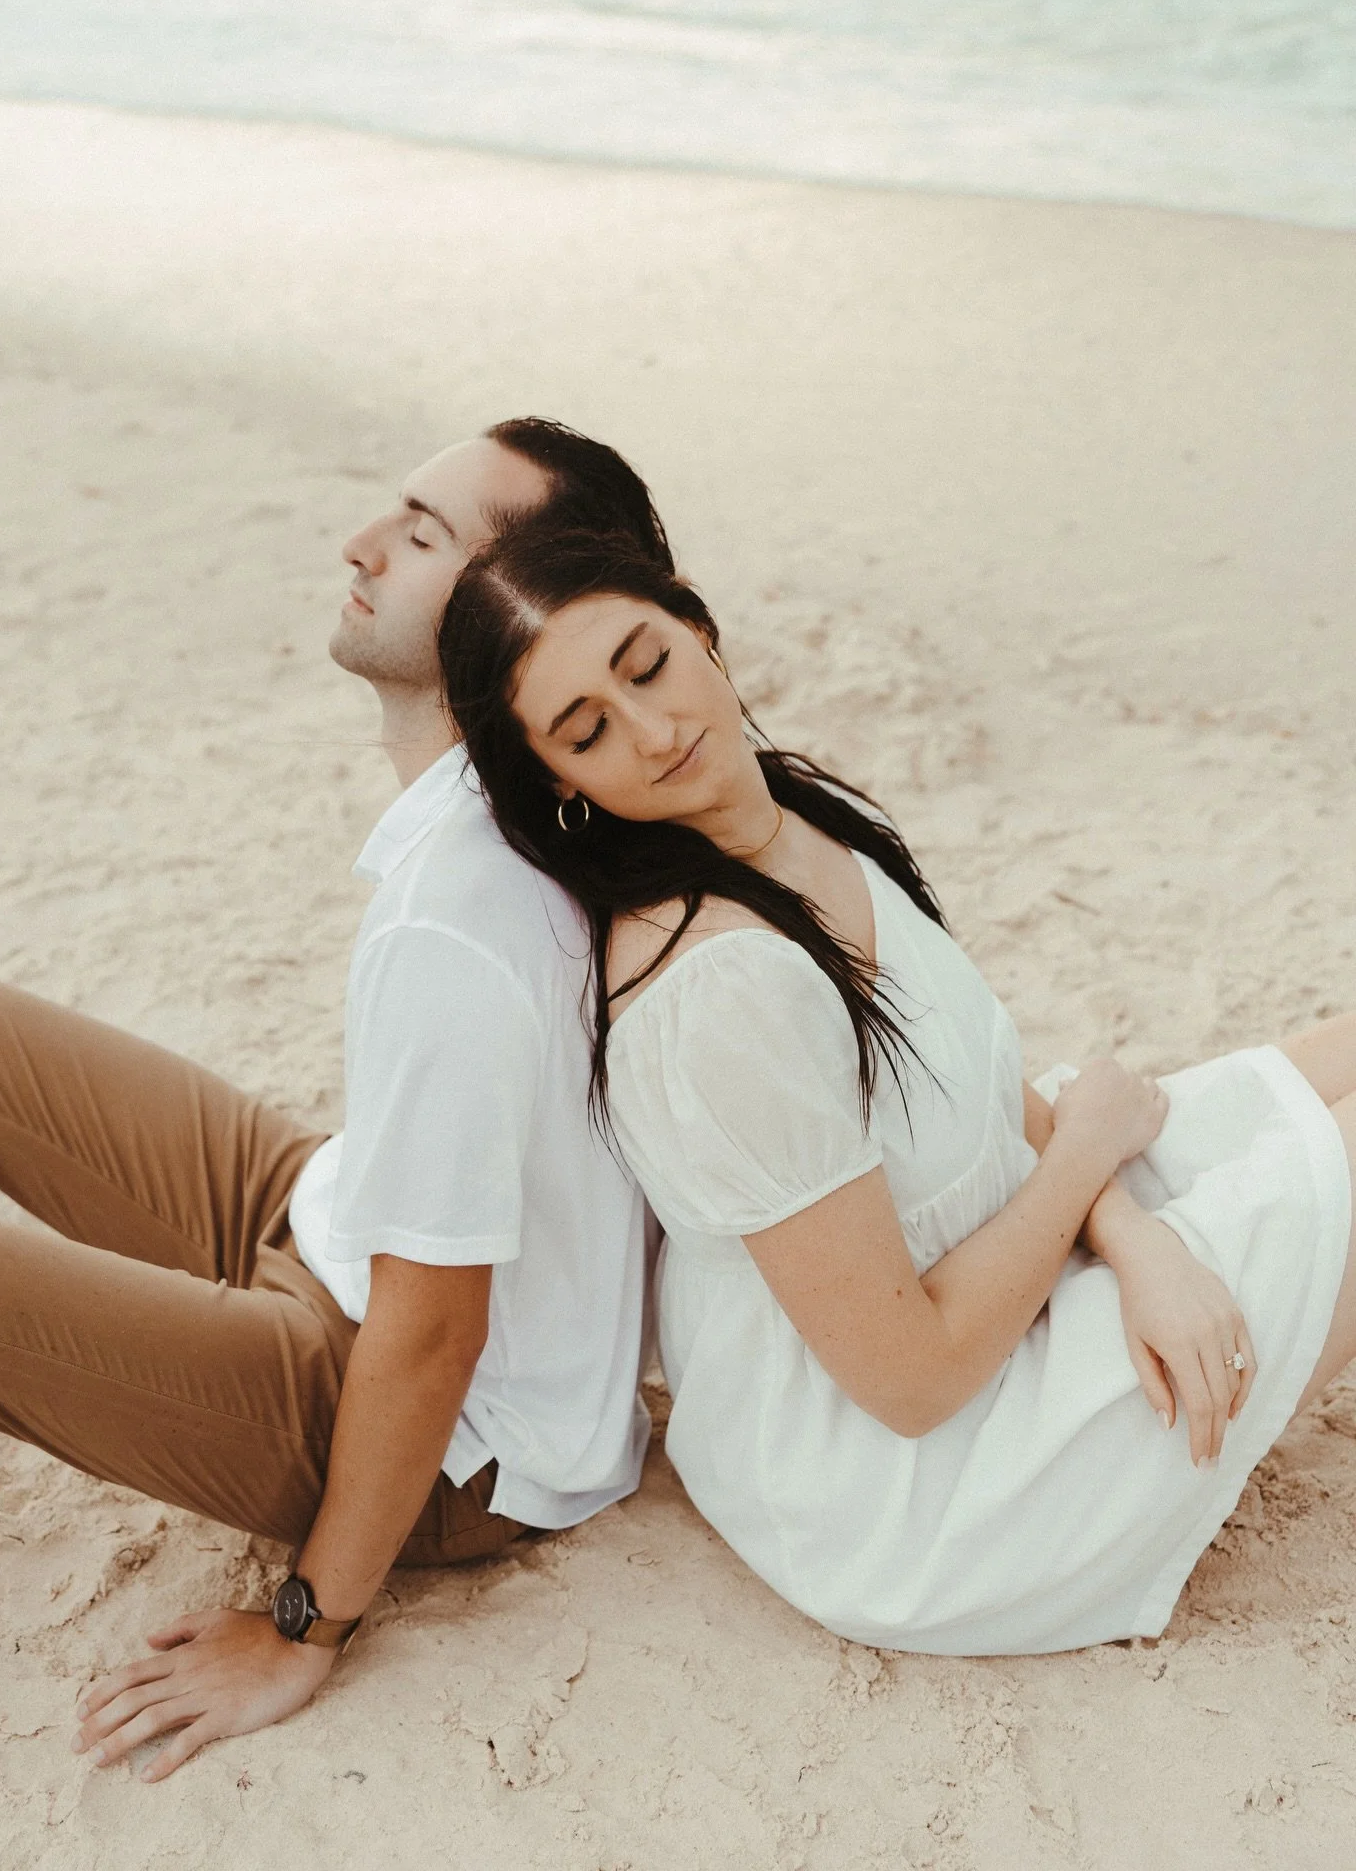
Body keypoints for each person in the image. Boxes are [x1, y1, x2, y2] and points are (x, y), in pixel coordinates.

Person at [439, 525, 1356, 1656]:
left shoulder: (778, 810)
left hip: (988, 1255)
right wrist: (1085, 1163)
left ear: (700, 632)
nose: (654, 729)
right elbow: (910, 1382)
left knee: (1330, 1063)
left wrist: (1139, 1240)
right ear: (558, 783)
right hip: (917, 1486)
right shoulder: (718, 988)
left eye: (648, 665)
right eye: (588, 732)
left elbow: (967, 1080)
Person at [0, 420, 671, 1779]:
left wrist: (302, 1632)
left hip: (445, 1439)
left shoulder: (466, 914)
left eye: (425, 536)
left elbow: (437, 1335)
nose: (362, 544)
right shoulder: (508, 815)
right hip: (327, 1220)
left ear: (516, 622)